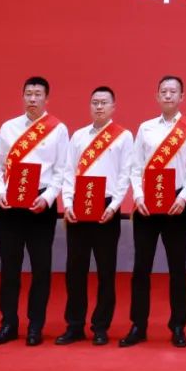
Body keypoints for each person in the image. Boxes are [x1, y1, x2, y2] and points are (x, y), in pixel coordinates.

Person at [120, 75, 186, 348]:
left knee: (177, 268)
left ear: (181, 97)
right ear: (157, 96)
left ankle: (178, 325)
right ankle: (138, 325)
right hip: (146, 205)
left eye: (173, 91)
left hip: (176, 204)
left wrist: (184, 196)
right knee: (141, 268)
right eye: (164, 91)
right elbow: (135, 167)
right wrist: (138, 196)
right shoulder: (145, 128)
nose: (168, 95)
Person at [0, 76, 70, 347]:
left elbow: (62, 170)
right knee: (9, 268)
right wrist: (0, 192)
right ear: (23, 97)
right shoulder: (9, 127)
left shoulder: (58, 129)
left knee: (40, 269)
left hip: (41, 206)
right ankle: (8, 324)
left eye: (38, 94)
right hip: (10, 205)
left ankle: (36, 325)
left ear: (47, 98)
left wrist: (47, 198)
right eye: (28, 94)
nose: (32, 99)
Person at [57, 86, 133, 346]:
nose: (99, 107)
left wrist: (115, 206)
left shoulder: (123, 136)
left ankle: (101, 326)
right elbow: (69, 172)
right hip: (79, 206)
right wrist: (67, 203)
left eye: (104, 102)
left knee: (105, 271)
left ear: (113, 106)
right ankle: (74, 325)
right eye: (95, 102)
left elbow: (125, 174)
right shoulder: (78, 136)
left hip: (107, 207)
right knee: (75, 270)